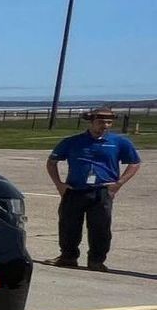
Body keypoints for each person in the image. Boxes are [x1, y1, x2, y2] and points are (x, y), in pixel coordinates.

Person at [47, 107, 142, 270]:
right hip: (75, 190)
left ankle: (96, 261)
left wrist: (118, 184)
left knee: (101, 228)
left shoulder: (119, 142)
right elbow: (52, 162)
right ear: (91, 122)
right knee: (69, 226)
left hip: (102, 191)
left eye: (108, 122)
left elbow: (134, 163)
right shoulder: (72, 142)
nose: (105, 125)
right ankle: (68, 257)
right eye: (100, 122)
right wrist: (59, 184)